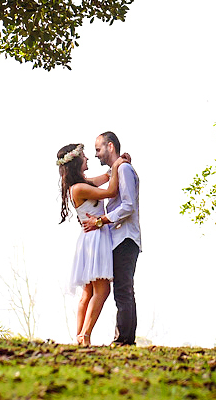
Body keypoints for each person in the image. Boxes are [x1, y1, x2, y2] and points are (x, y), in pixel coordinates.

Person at [56, 142, 130, 345]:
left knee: (88, 292)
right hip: (96, 238)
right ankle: (85, 334)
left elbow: (106, 177)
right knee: (102, 290)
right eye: (84, 156)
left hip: (91, 238)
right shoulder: (79, 188)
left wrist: (117, 164)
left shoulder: (83, 183)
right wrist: (117, 166)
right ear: (76, 162)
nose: (88, 158)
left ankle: (80, 336)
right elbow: (111, 191)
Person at [81, 131, 141, 345]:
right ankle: (125, 339)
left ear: (110, 146)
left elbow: (128, 206)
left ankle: (123, 340)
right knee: (122, 290)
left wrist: (101, 221)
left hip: (126, 237)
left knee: (123, 290)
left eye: (98, 149)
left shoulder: (124, 169)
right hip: (117, 238)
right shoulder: (117, 169)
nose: (96, 154)